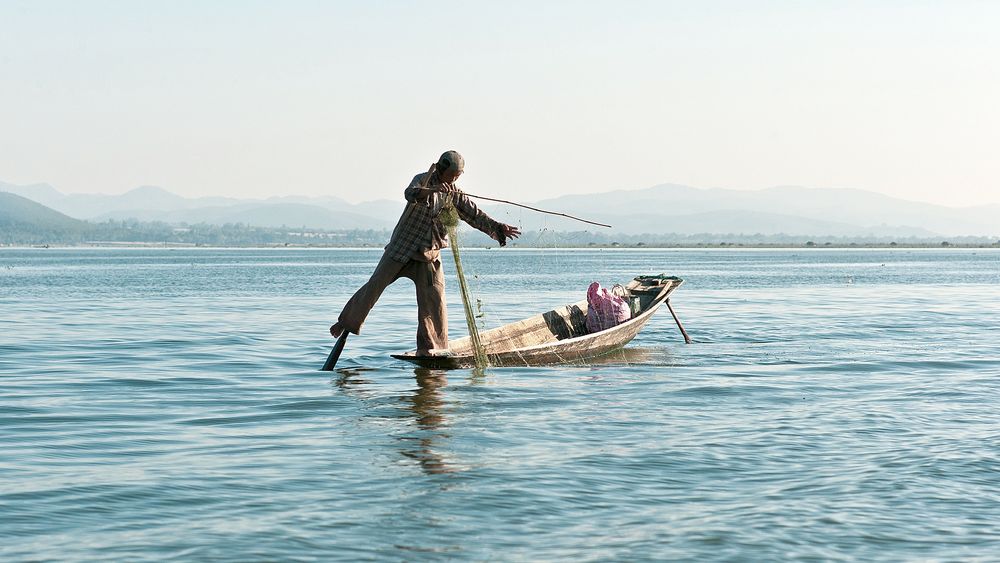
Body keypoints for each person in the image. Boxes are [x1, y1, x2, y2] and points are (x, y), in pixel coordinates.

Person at [329, 151, 521, 355]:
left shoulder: (454, 193)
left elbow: (474, 215)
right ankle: (346, 323)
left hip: (429, 254)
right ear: (441, 168)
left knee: (435, 300)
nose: (455, 178)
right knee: (374, 286)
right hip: (401, 248)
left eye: (459, 175)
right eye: (453, 174)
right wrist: (432, 190)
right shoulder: (423, 179)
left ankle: (431, 348)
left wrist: (498, 228)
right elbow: (411, 193)